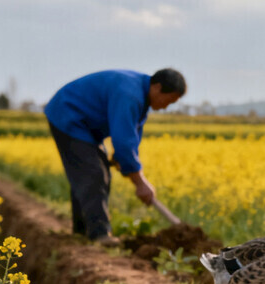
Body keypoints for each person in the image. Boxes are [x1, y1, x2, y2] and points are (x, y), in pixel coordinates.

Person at [45, 69, 186, 246]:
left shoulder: (140, 97)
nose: (167, 106)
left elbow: (130, 138)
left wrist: (122, 159)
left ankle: (82, 232)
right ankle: (99, 235)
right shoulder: (131, 95)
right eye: (169, 100)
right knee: (93, 173)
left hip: (85, 126)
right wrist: (140, 183)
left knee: (90, 174)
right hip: (68, 115)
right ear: (157, 88)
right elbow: (124, 142)